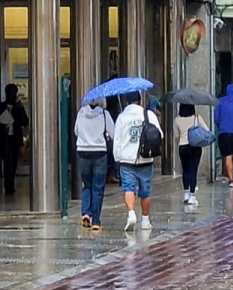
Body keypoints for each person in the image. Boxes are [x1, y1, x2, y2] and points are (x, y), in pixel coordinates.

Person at [113, 91, 163, 231]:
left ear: (127, 102)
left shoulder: (122, 117)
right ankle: (145, 220)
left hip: (127, 159)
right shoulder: (149, 115)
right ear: (140, 101)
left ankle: (131, 213)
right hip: (146, 157)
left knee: (129, 188)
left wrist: (118, 158)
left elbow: (117, 140)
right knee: (145, 191)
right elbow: (160, 135)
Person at [74, 98, 114, 230]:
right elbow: (112, 132)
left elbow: (76, 131)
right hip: (99, 152)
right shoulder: (104, 114)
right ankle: (96, 221)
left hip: (83, 151)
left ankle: (86, 213)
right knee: (98, 187)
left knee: (87, 184)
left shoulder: (81, 112)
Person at [0, 84, 29, 195]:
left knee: (14, 162)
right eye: (10, 93)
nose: (12, 95)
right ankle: (8, 185)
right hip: (4, 138)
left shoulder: (18, 107)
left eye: (14, 93)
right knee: (7, 161)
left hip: (15, 138)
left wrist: (20, 108)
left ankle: (10, 183)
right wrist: (1, 125)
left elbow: (25, 122)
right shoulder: (0, 107)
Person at [175, 103, 208, 207]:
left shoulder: (177, 120)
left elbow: (176, 135)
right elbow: (206, 130)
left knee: (185, 170)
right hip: (195, 146)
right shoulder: (197, 118)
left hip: (182, 146)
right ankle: (192, 195)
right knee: (193, 170)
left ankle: (186, 193)